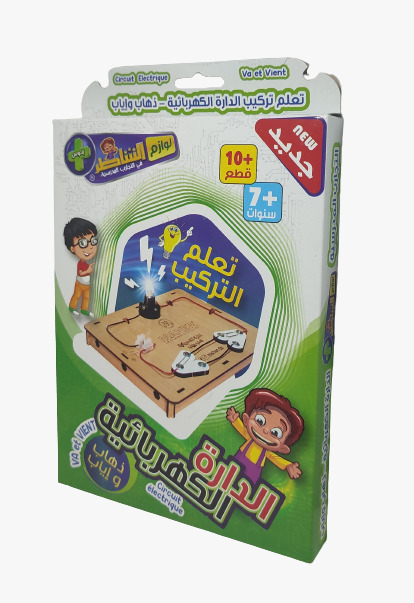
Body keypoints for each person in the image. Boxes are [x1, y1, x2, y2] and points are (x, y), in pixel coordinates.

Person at [227, 388, 304, 484]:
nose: (265, 430)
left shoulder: (267, 453)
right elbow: (242, 430)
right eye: (260, 421)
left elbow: (276, 459)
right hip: (237, 461)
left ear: (283, 449)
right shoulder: (249, 437)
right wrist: (235, 420)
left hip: (252, 472)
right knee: (228, 477)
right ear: (246, 419)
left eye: (276, 433)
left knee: (248, 485)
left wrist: (288, 465)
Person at [63, 217, 98, 317]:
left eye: (93, 241)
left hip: (86, 283)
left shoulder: (85, 263)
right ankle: (72, 307)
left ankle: (84, 310)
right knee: (77, 295)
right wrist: (88, 271)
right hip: (80, 283)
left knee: (86, 297)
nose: (90, 246)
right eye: (83, 243)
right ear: (72, 249)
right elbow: (80, 273)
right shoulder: (80, 263)